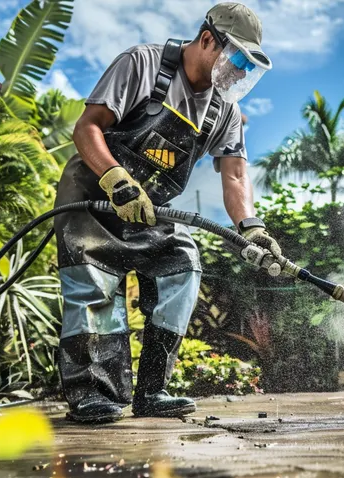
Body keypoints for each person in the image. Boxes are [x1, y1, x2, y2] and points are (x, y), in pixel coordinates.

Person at [53, 2, 282, 424]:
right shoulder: (143, 64)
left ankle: (153, 390)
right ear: (208, 38)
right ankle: (92, 394)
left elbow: (234, 175)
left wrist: (252, 228)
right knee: (95, 286)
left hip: (150, 207)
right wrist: (117, 180)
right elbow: (88, 127)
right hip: (94, 195)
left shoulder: (224, 110)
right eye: (236, 59)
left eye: (248, 67)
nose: (239, 73)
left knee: (182, 265)